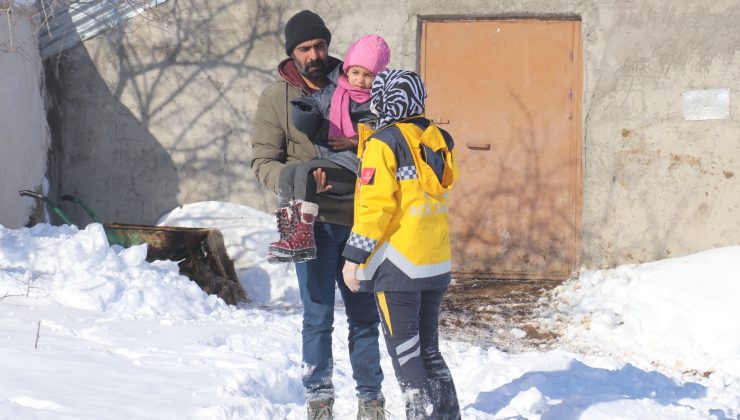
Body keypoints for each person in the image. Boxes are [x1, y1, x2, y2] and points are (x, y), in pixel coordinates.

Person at [250, 10, 385, 420]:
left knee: (364, 317)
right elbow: (262, 161)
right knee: (318, 316)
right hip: (306, 221)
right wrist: (302, 180)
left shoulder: (355, 84)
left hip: (360, 218)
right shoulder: (277, 98)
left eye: (320, 45)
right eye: (306, 48)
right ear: (293, 53)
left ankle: (371, 400)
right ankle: (319, 400)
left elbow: (383, 141)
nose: (315, 54)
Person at [341, 69, 462, 420]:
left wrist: (354, 258)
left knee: (407, 359)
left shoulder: (383, 143)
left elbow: (375, 209)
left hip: (398, 267)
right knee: (430, 353)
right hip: (435, 263)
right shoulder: (438, 138)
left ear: (384, 99)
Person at [268, 34, 391, 264]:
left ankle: (303, 238)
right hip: (332, 161)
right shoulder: (336, 91)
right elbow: (314, 103)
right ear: (346, 70)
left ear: (379, 77)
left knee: (304, 172)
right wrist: (303, 110)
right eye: (355, 72)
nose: (360, 81)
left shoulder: (381, 102)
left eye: (368, 75)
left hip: (357, 170)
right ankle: (289, 236)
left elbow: (390, 135)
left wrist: (356, 140)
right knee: (288, 172)